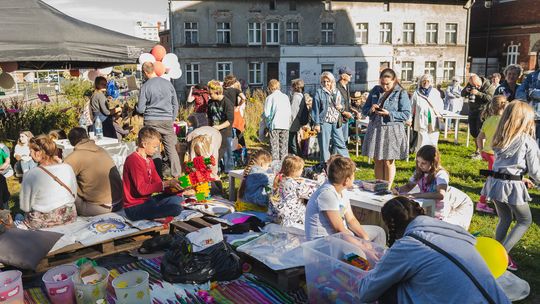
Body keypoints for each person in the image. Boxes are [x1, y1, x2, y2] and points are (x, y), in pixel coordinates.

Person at [357, 196, 510, 304]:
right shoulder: (454, 232)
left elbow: (366, 292)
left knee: (388, 288)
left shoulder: (409, 245)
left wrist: (373, 270)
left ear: (392, 226)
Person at [481, 101, 539, 271]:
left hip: (495, 183)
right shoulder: (527, 141)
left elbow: (506, 166)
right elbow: (536, 171)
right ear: (525, 120)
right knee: (524, 220)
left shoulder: (501, 138)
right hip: (511, 186)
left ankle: (494, 252)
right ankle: (502, 256)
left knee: (505, 218)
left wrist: (522, 178)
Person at [305, 156, 386, 245]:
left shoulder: (342, 190)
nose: (354, 177)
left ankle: (377, 258)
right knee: (360, 254)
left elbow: (351, 220)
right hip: (324, 243)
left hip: (340, 235)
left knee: (379, 232)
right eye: (353, 175)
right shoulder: (327, 194)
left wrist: (365, 238)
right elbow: (339, 230)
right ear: (347, 180)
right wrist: (364, 247)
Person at [392, 145, 473, 230]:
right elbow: (409, 186)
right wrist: (398, 190)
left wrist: (417, 195)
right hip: (435, 205)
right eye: (418, 162)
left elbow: (440, 194)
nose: (420, 165)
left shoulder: (441, 174)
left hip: (459, 205)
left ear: (433, 162)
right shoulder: (419, 171)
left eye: (423, 163)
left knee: (448, 230)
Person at [362, 68, 411, 188]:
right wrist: (371, 109)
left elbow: (405, 114)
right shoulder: (375, 90)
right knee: (378, 160)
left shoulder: (401, 93)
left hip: (392, 130)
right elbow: (364, 110)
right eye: (382, 83)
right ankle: (379, 187)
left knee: (388, 161)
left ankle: (387, 188)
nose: (384, 86)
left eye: (387, 84)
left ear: (394, 81)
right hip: (376, 129)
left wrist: (389, 113)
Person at [122, 127, 184, 221]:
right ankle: (157, 214)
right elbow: (142, 190)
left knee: (178, 198)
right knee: (176, 208)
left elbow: (158, 183)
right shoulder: (133, 160)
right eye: (154, 147)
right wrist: (167, 183)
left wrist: (177, 188)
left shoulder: (149, 160)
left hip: (148, 201)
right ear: (144, 144)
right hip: (134, 208)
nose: (156, 150)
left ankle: (157, 211)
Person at [19, 135, 77, 229]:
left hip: (42, 224)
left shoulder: (30, 174)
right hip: (68, 218)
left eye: (31, 151)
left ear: (38, 153)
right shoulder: (67, 168)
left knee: (18, 217)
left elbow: (25, 207)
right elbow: (74, 194)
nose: (29, 155)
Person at [64, 127, 123, 216]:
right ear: (87, 136)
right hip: (119, 202)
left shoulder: (74, 157)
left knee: (66, 185)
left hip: (99, 208)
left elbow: (62, 179)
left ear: (72, 142)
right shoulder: (101, 150)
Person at [137, 62, 182, 177]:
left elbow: (141, 109)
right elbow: (175, 105)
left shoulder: (145, 86)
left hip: (151, 121)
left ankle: (157, 179)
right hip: (167, 120)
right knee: (171, 149)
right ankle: (177, 176)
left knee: (154, 149)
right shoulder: (168, 84)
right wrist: (171, 119)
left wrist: (136, 108)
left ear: (145, 72)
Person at [476, 96, 508, 214]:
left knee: (493, 179)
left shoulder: (488, 120)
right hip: (497, 155)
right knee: (493, 180)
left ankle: (491, 201)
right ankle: (482, 203)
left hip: (488, 153)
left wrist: (481, 151)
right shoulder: (505, 122)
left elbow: (479, 138)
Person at [268, 155, 316, 229]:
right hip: (291, 218)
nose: (302, 170)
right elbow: (311, 193)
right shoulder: (296, 184)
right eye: (301, 169)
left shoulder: (279, 179)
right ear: (295, 171)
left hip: (275, 214)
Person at [312, 72, 349, 162]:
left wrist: (342, 107)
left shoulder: (337, 91)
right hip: (324, 122)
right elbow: (315, 109)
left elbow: (342, 104)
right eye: (323, 81)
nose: (326, 83)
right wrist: (316, 124)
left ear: (332, 81)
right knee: (324, 146)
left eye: (328, 81)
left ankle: (348, 164)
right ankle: (325, 166)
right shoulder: (319, 92)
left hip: (336, 121)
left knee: (341, 143)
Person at [461, 73, 496, 159]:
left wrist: (478, 93)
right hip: (472, 110)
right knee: (473, 131)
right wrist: (467, 90)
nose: (476, 86)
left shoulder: (489, 85)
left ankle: (482, 152)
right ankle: (477, 151)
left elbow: (490, 98)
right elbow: (462, 93)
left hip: (483, 111)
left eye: (477, 85)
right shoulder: (470, 83)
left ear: (480, 80)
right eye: (474, 85)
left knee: (480, 131)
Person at [207, 80, 235, 173]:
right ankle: (216, 171)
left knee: (227, 153)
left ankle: (229, 173)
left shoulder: (227, 103)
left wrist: (218, 127)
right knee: (215, 152)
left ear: (217, 92)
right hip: (214, 131)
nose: (209, 95)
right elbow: (209, 117)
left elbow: (229, 121)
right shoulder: (210, 102)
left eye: (211, 93)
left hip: (225, 132)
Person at [411, 74, 444, 152]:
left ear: (431, 82)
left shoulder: (435, 92)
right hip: (421, 118)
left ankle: (433, 155)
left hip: (433, 118)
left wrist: (439, 113)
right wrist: (409, 118)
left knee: (433, 138)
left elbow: (440, 105)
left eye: (428, 81)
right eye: (424, 81)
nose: (425, 83)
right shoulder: (416, 93)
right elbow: (411, 106)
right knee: (422, 138)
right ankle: (420, 155)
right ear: (421, 82)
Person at [186, 114, 222, 180]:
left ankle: (212, 177)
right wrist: (194, 171)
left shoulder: (213, 144)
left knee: (211, 165)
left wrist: (213, 174)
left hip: (214, 135)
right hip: (196, 137)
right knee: (195, 162)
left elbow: (214, 162)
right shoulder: (191, 138)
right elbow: (191, 160)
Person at [264, 79, 292, 162]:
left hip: (275, 124)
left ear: (270, 88)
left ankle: (275, 166)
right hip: (285, 125)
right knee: (284, 147)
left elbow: (267, 114)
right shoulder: (285, 97)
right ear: (278, 87)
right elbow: (289, 112)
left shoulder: (270, 97)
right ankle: (284, 165)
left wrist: (268, 125)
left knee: (274, 147)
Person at [515, 52, 540, 142]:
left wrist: (532, 92)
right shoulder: (531, 76)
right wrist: (530, 95)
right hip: (531, 117)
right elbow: (519, 93)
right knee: (529, 145)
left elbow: (528, 92)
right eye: (539, 58)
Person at [223, 75, 247, 148]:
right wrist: (238, 106)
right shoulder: (236, 90)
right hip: (235, 112)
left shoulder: (222, 90)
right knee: (239, 134)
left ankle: (230, 151)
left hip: (225, 113)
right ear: (233, 82)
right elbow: (244, 98)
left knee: (228, 134)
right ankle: (242, 152)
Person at [336, 66, 355, 142]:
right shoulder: (336, 87)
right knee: (338, 142)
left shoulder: (346, 86)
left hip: (345, 119)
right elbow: (335, 103)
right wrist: (344, 112)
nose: (351, 76)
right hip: (338, 119)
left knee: (343, 140)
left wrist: (354, 111)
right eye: (349, 74)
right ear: (343, 76)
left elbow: (347, 102)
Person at [289, 78, 307, 156]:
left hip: (293, 122)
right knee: (294, 140)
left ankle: (297, 156)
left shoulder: (296, 97)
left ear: (295, 87)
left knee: (292, 141)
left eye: (292, 86)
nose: (291, 88)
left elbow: (293, 112)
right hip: (297, 121)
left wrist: (288, 123)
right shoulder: (300, 96)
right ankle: (298, 155)